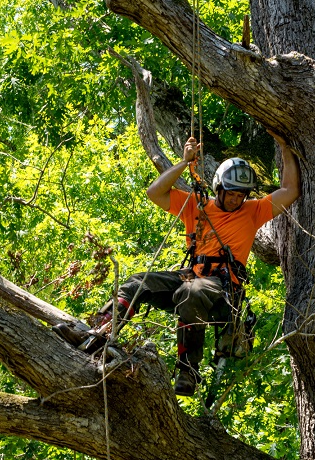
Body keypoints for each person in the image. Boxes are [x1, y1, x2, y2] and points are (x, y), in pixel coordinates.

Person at [54, 132, 300, 396]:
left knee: (190, 293)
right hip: (192, 278)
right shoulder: (196, 206)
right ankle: (99, 332)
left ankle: (187, 370)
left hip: (223, 291)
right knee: (138, 282)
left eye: (241, 194)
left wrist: (285, 145)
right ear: (219, 187)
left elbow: (290, 191)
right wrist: (184, 163)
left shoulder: (253, 211)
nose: (236, 199)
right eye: (231, 193)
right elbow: (154, 192)